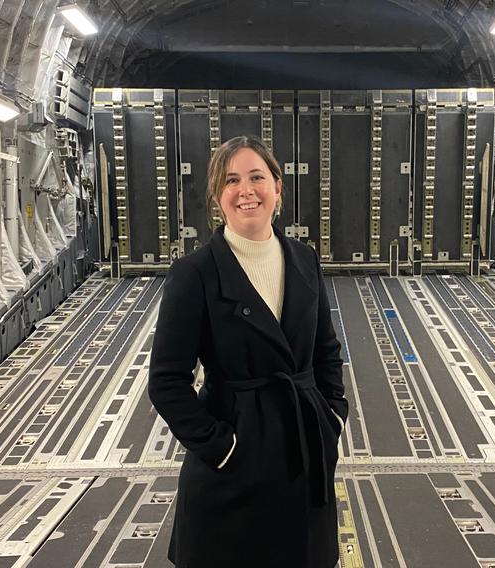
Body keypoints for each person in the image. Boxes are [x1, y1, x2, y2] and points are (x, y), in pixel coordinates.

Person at [148, 135, 348, 568]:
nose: (246, 191)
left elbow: (326, 350)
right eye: (231, 180)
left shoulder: (304, 258)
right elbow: (166, 382)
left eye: (257, 177)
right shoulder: (194, 274)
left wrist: (332, 416)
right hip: (234, 462)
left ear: (278, 186)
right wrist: (224, 448)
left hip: (303, 449)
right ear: (218, 197)